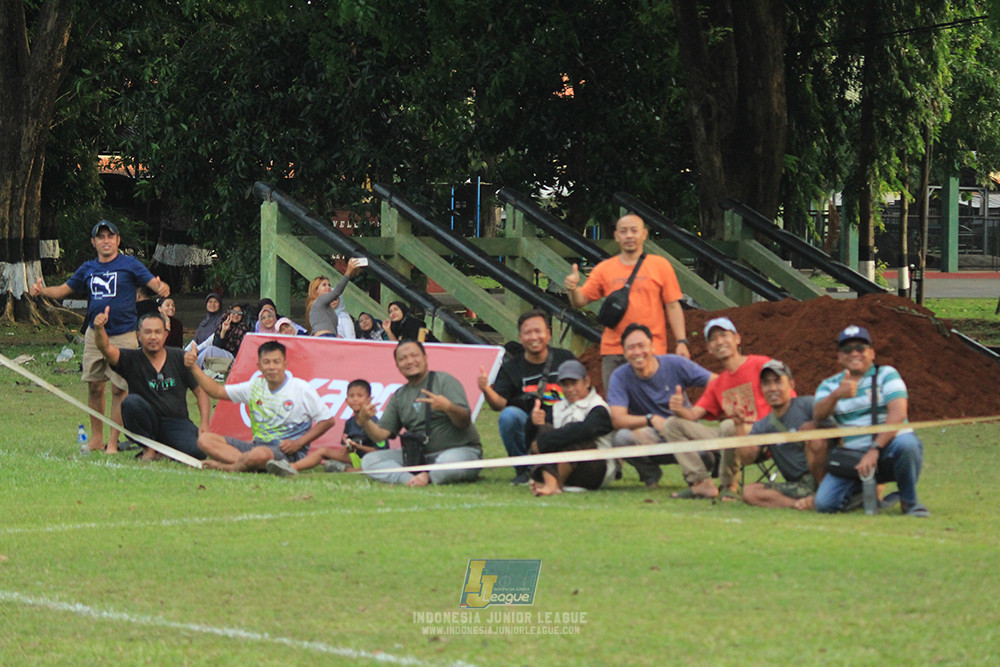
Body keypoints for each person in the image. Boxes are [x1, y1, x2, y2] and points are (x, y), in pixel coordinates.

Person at [29, 219, 170, 454]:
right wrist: (42, 290)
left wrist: (161, 287)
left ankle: (113, 442)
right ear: (93, 242)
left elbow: (152, 283)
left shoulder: (129, 264)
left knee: (119, 389)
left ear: (118, 240)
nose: (106, 241)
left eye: (110, 236)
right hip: (95, 335)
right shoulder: (88, 268)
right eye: (101, 237)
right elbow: (63, 290)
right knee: (95, 387)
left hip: (123, 335)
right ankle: (96, 439)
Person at [812, 326, 929, 517]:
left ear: (872, 353)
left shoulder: (887, 374)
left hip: (888, 449)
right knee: (825, 504)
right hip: (854, 458)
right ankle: (867, 495)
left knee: (907, 444)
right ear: (839, 357)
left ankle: (910, 502)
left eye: (860, 348)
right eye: (847, 350)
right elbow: (818, 415)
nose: (854, 353)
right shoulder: (830, 384)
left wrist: (875, 449)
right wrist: (836, 395)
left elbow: (898, 413)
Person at [563, 213, 689, 390]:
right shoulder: (604, 269)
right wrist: (573, 289)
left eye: (634, 231)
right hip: (615, 351)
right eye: (623, 231)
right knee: (617, 403)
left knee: (653, 401)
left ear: (644, 234)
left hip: (651, 349)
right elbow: (580, 301)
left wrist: (681, 341)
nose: (629, 235)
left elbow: (673, 305)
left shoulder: (660, 266)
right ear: (616, 236)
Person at [663, 317, 781, 500]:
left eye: (724, 335)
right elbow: (693, 415)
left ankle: (729, 485)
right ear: (709, 348)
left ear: (737, 339)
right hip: (731, 436)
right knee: (672, 424)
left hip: (763, 436)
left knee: (728, 425)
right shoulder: (718, 383)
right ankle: (701, 482)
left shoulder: (760, 364)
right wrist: (679, 409)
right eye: (713, 339)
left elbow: (786, 395)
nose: (719, 342)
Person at [183, 340, 336, 473]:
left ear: (285, 365)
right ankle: (250, 463)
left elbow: (328, 420)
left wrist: (298, 443)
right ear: (259, 366)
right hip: (256, 447)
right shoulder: (255, 387)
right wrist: (193, 367)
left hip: (287, 453)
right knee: (205, 440)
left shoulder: (301, 388)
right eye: (266, 362)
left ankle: (231, 467)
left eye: (276, 362)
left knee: (260, 454)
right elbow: (216, 391)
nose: (272, 367)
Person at [607, 323, 716, 492]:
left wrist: (697, 411)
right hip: (651, 436)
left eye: (641, 346)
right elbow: (617, 419)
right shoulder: (620, 376)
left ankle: (697, 480)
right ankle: (651, 476)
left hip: (683, 433)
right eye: (631, 348)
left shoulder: (675, 364)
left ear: (652, 346)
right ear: (624, 352)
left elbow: (717, 382)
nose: (637, 352)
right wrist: (650, 419)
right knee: (622, 438)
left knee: (706, 453)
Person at [356, 341, 482, 486]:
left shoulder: (445, 381)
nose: (409, 361)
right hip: (418, 456)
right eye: (403, 359)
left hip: (458, 451)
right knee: (370, 461)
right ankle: (410, 480)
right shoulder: (399, 395)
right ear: (397, 365)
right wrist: (365, 421)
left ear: (425, 357)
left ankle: (428, 475)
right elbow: (381, 435)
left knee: (448, 463)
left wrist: (448, 407)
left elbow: (464, 421)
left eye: (414, 355)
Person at [92, 306, 210, 461]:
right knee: (130, 403)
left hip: (176, 422)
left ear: (165, 335)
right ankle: (149, 448)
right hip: (145, 422)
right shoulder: (131, 359)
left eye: (158, 332)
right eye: (147, 332)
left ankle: (164, 450)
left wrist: (204, 423)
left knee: (199, 451)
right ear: (138, 335)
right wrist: (99, 329)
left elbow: (201, 392)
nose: (153, 337)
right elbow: (106, 349)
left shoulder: (180, 357)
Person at [477, 310, 577, 485]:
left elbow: (582, 393)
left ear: (548, 334)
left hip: (564, 424)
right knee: (509, 416)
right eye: (528, 332)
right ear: (520, 337)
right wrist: (486, 389)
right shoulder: (512, 368)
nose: (534, 337)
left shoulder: (565, 359)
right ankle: (524, 470)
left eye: (538, 331)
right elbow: (499, 404)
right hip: (530, 429)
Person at [526, 360, 619, 496]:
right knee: (544, 429)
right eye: (565, 385)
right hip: (563, 466)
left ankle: (553, 484)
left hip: (594, 471)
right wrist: (532, 423)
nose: (570, 389)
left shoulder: (599, 408)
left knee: (576, 436)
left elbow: (586, 430)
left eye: (574, 383)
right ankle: (550, 482)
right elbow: (531, 442)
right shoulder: (557, 408)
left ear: (586, 382)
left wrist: (544, 442)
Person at [743, 360, 827, 510]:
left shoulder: (808, 405)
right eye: (766, 383)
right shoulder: (762, 425)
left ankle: (824, 494)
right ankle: (800, 504)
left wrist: (815, 426)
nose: (772, 388)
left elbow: (838, 432)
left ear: (791, 384)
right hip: (798, 485)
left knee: (817, 439)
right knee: (749, 492)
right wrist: (738, 425)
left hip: (825, 478)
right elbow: (747, 458)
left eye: (778, 382)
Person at [265, 379, 388, 477]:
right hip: (355, 459)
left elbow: (381, 453)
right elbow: (346, 452)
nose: (355, 399)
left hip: (372, 460)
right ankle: (292, 467)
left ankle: (348, 470)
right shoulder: (350, 423)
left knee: (377, 466)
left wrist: (358, 447)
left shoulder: (376, 423)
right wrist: (349, 447)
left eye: (359, 396)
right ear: (346, 400)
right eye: (351, 396)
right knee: (323, 451)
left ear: (369, 400)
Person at [306, 258, 364, 336]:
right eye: (324, 285)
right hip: (325, 337)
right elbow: (337, 291)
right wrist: (348, 273)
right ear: (315, 290)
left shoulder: (323, 307)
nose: (328, 287)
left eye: (329, 285)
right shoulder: (319, 301)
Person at [197, 302, 250, 367]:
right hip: (223, 355)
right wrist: (223, 331)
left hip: (233, 359)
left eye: (239, 313)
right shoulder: (224, 323)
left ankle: (193, 368)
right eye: (233, 312)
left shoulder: (243, 329)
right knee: (205, 351)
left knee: (209, 350)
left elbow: (240, 351)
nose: (236, 314)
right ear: (229, 313)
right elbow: (216, 345)